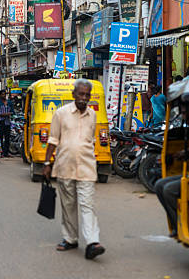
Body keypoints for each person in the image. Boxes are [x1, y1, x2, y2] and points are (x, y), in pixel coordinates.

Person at [43, 79, 105, 260]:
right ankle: (70, 239)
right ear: (74, 95)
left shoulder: (92, 115)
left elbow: (91, 141)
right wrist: (47, 164)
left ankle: (93, 242)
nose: (84, 98)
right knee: (68, 205)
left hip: (86, 167)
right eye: (81, 94)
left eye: (87, 95)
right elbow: (53, 140)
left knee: (87, 205)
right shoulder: (61, 114)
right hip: (65, 166)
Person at [155, 102, 189, 238]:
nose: (186, 117)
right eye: (183, 113)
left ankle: (184, 225)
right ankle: (177, 225)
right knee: (159, 185)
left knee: (169, 190)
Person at [0, 91, 14, 158]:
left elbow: (12, 112)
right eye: (2, 94)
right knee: (0, 137)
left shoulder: (9, 102)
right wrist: (4, 114)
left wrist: (9, 114)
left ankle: (6, 152)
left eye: (4, 94)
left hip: (7, 122)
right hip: (1, 122)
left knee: (7, 138)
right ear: (0, 95)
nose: (3, 95)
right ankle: (2, 153)